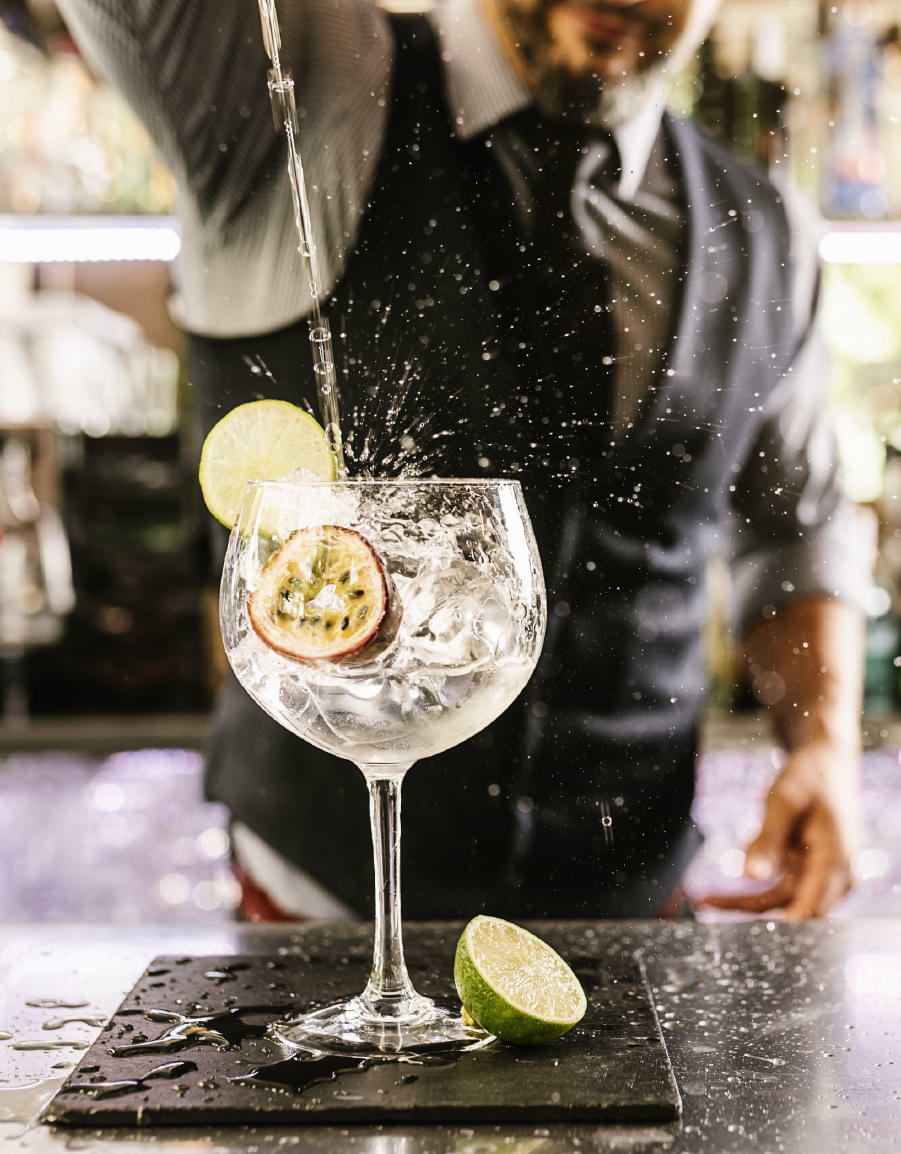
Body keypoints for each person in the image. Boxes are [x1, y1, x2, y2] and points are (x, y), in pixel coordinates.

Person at [58, 0, 868, 920]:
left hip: (631, 919)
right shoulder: (298, 85)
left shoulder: (766, 232)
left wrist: (822, 743)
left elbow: (792, 529)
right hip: (325, 932)